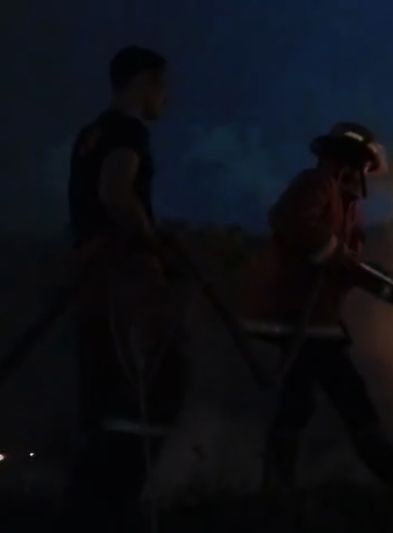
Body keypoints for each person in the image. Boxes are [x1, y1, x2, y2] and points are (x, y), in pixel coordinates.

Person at [247, 123, 393, 486]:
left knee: (300, 402)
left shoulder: (348, 207)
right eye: (365, 166)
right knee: (348, 397)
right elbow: (289, 220)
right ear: (352, 161)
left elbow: (351, 267)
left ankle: (275, 487)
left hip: (319, 319)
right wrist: (330, 251)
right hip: (297, 315)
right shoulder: (316, 183)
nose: (366, 176)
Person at [65, 46, 184, 531]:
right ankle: (119, 505)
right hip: (122, 276)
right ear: (144, 81)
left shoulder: (89, 134)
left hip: (90, 275)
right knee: (160, 379)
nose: (166, 97)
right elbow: (115, 193)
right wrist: (149, 241)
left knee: (104, 389)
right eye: (163, 85)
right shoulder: (127, 131)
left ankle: (90, 506)